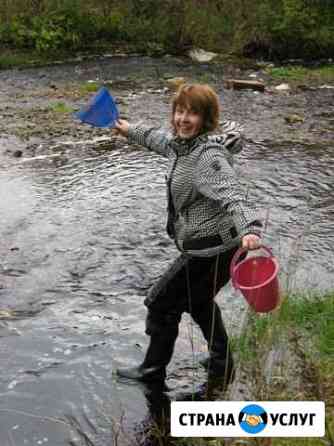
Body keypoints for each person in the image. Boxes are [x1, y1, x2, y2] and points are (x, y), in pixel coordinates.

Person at [114, 83, 262, 390]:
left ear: (206, 119)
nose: (183, 118)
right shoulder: (181, 144)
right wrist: (128, 129)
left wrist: (251, 228)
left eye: (192, 113)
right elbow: (157, 138)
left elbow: (233, 194)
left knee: (160, 302)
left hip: (214, 249)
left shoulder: (207, 156)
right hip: (215, 245)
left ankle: (152, 370)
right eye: (179, 111)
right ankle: (223, 361)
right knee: (199, 301)